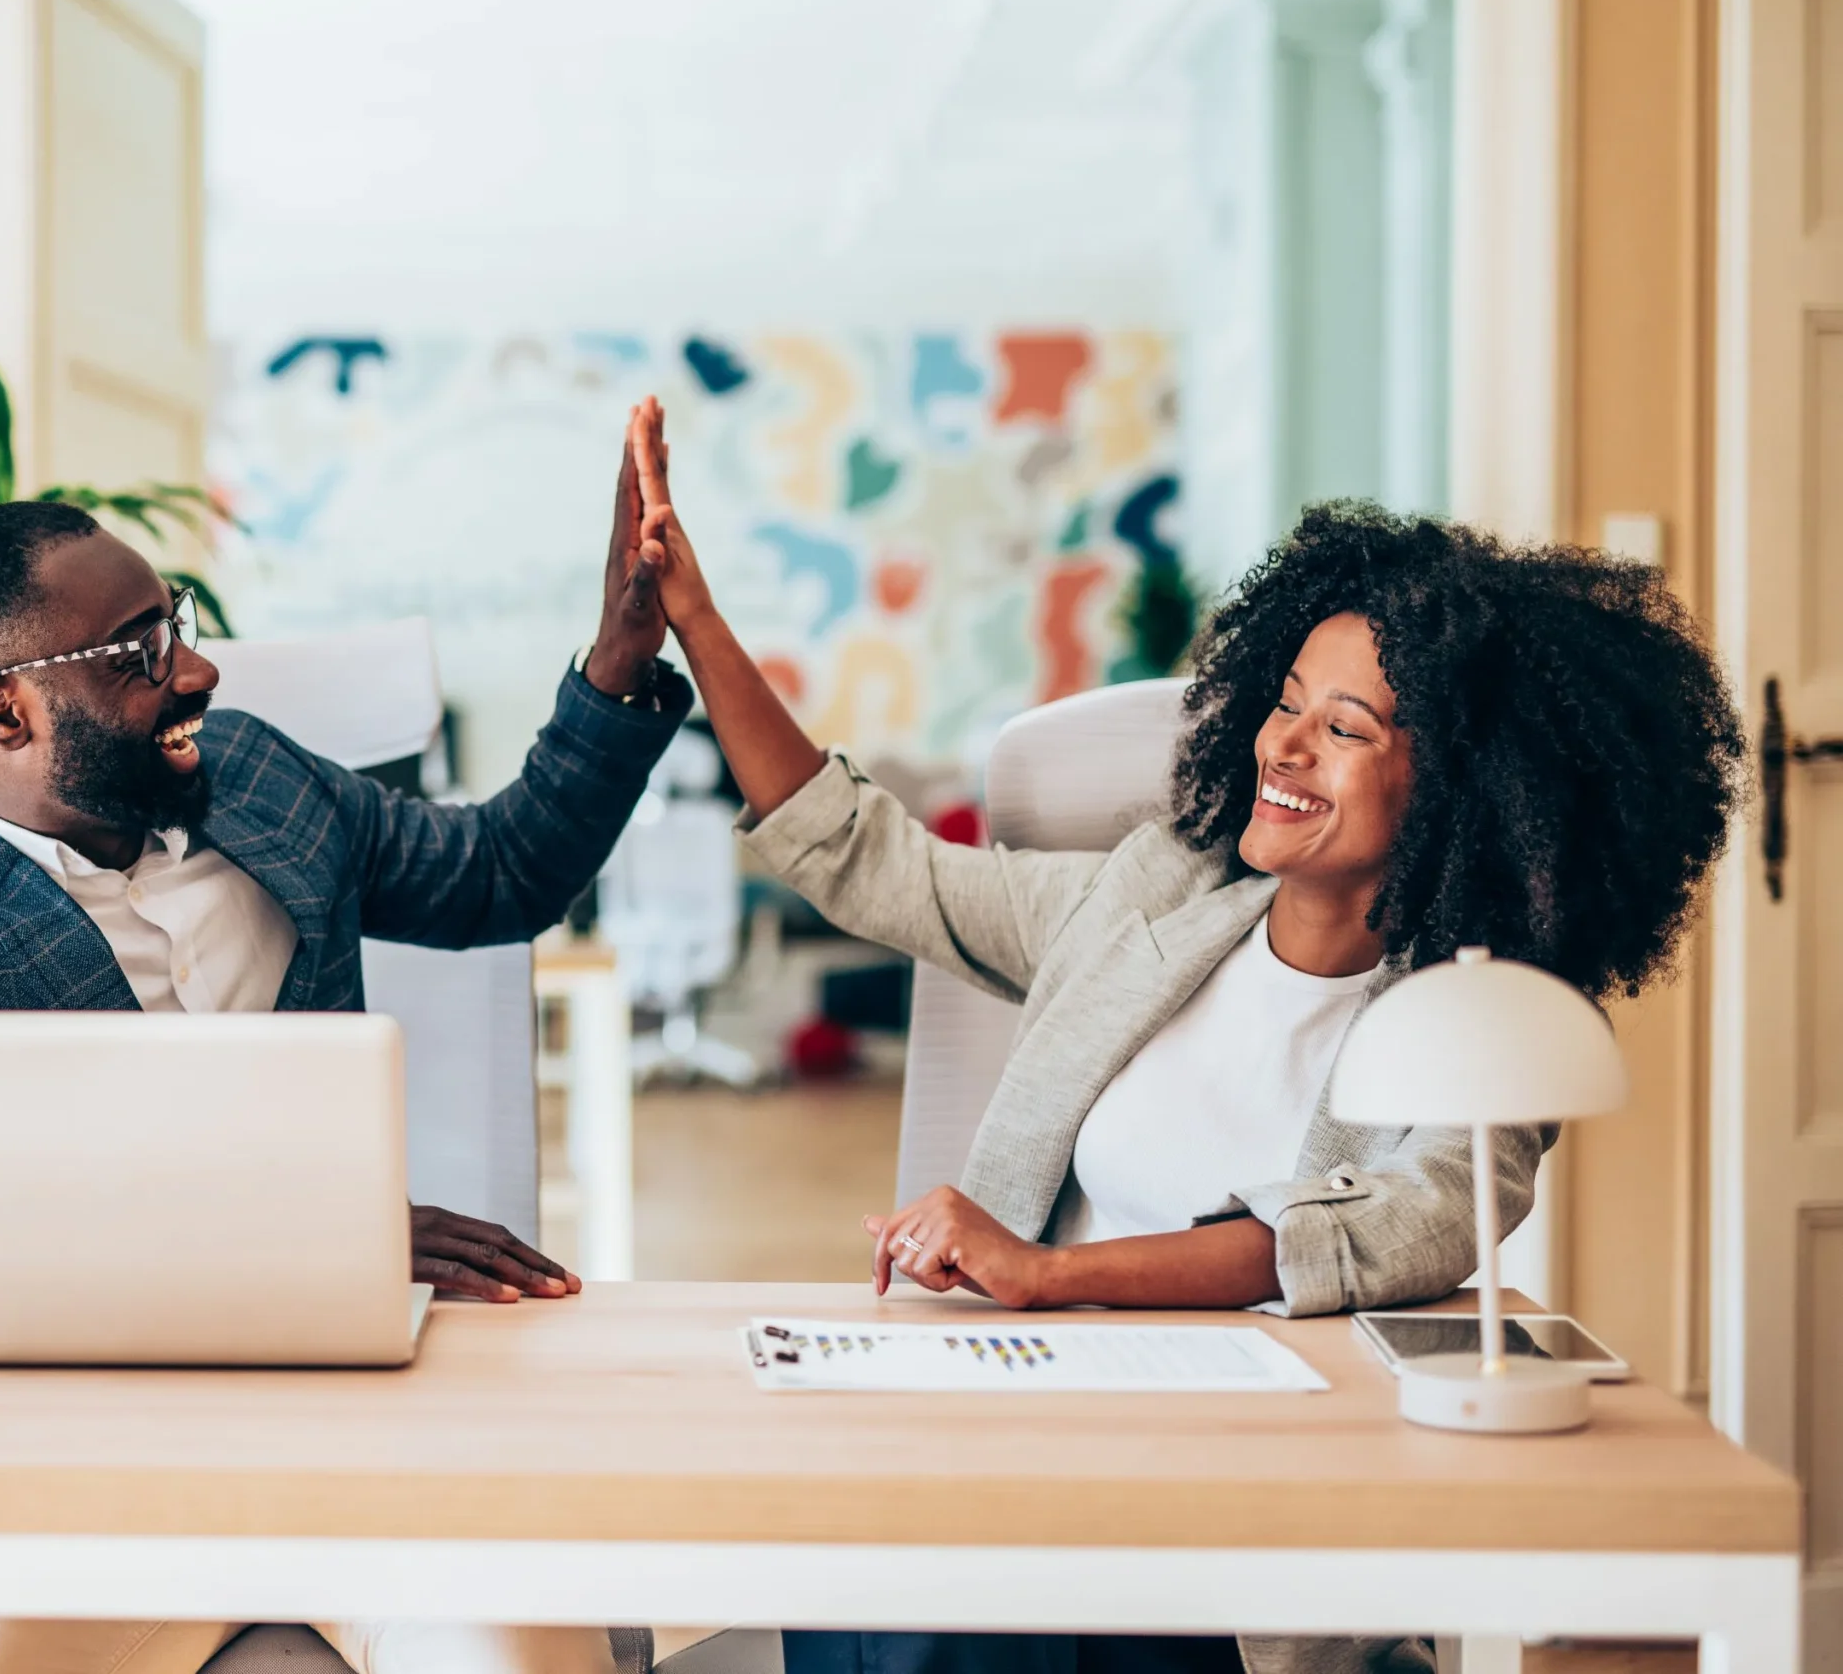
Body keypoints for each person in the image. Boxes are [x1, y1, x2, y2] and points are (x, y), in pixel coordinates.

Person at [616, 398, 1743, 1674]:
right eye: (1287, 700)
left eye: (1349, 727)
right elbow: (877, 865)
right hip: (1020, 1440)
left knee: (961, 1605)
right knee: (900, 1555)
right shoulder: (1155, 895)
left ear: (1468, 787)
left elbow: (1391, 1226)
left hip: (1241, 1535)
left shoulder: (1474, 1026)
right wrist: (696, 625)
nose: (1286, 743)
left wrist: (1049, 1273)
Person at [0, 458, 687, 1674]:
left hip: (370, 1453)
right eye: (136, 652)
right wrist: (319, 1232)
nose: (193, 670)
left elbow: (500, 872)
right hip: (70, 1495)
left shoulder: (259, 777)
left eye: (177, 626)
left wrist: (619, 651)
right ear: (2, 712)